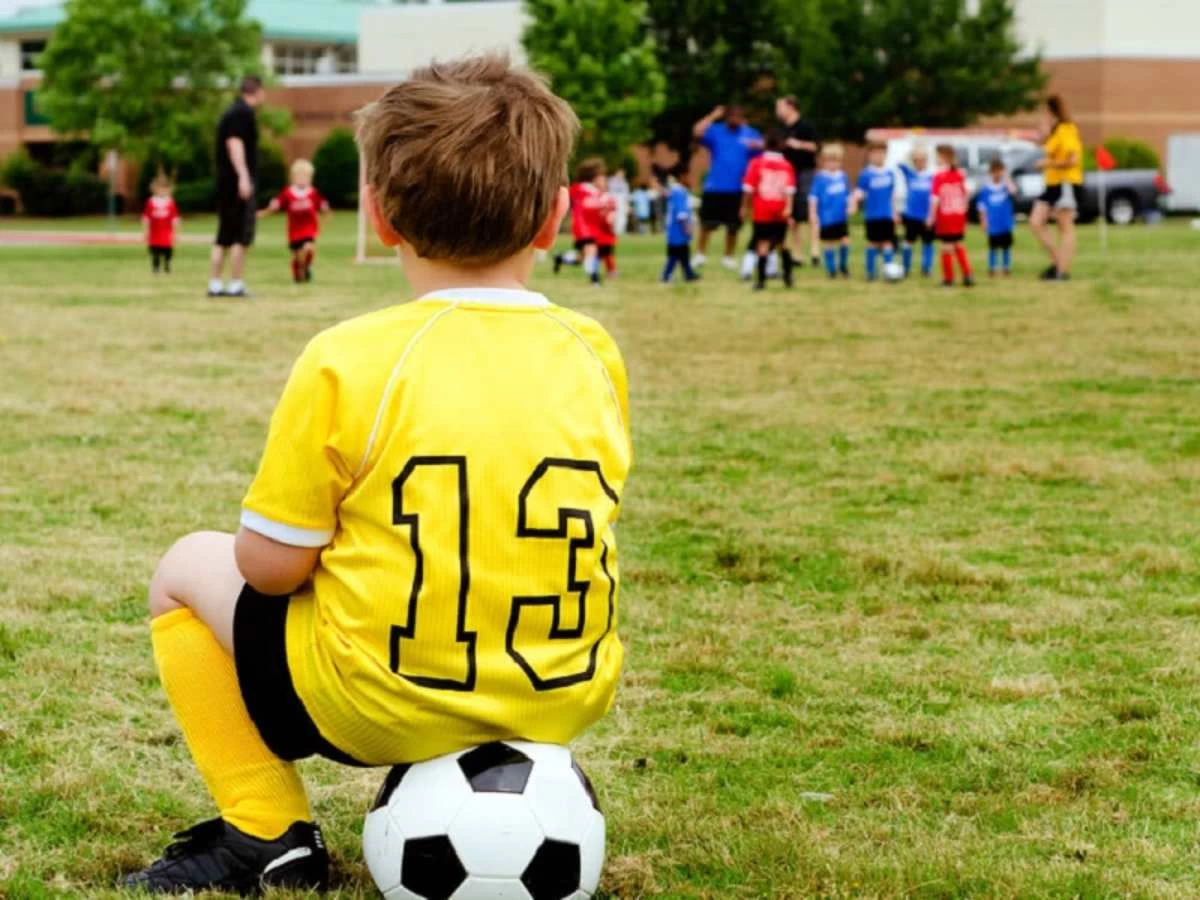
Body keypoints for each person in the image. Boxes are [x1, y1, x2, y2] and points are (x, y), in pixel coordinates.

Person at [120, 54, 632, 894]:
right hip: (561, 694)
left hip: (377, 702)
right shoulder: (594, 352)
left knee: (184, 567)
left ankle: (263, 829)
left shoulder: (349, 358)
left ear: (383, 218)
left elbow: (269, 568)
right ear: (555, 219)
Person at [209, 75, 265, 299]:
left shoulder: (230, 112)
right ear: (257, 91)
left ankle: (215, 284)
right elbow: (235, 144)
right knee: (240, 236)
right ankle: (235, 283)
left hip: (225, 183)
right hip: (236, 184)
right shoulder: (243, 113)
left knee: (223, 235)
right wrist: (243, 176)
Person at [692, 104, 763, 269]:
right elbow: (696, 131)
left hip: (738, 188)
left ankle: (728, 257)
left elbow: (764, 151)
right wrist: (712, 115)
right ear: (726, 117)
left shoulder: (750, 134)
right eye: (731, 116)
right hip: (715, 186)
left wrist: (758, 146)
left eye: (738, 117)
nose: (734, 120)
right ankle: (700, 254)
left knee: (733, 226)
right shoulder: (716, 131)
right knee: (707, 224)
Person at [1030, 94, 1083, 281]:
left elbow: (1073, 160)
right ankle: (1057, 262)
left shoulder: (1066, 129)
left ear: (1051, 111)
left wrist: (1047, 163)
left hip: (1066, 183)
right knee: (1036, 222)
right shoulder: (1055, 132)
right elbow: (1048, 146)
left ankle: (1061, 271)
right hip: (1052, 184)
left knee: (1065, 226)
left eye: (1044, 112)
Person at [258, 160, 331, 284]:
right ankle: (298, 272)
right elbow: (276, 205)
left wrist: (325, 211)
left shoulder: (312, 193)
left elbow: (323, 206)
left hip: (309, 229)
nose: (302, 179)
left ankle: (306, 266)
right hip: (294, 231)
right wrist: (262, 213)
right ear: (293, 177)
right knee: (297, 256)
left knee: (309, 248)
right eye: (299, 176)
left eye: (305, 176)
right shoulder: (288, 193)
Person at [742, 130, 796, 290]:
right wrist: (789, 208)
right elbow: (790, 190)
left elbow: (748, 189)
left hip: (762, 210)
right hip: (780, 210)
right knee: (782, 243)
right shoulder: (787, 165)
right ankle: (788, 274)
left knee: (762, 244)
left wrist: (744, 207)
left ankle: (761, 281)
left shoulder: (756, 163)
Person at [776, 95, 819, 267]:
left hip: (805, 173)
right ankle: (797, 254)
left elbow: (816, 146)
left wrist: (798, 144)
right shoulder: (781, 129)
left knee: (810, 212)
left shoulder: (805, 126)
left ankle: (815, 251)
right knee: (792, 216)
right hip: (788, 174)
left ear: (791, 107)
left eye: (780, 107)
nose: (777, 111)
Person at [928, 143, 974, 288]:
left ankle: (949, 279)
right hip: (958, 215)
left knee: (946, 247)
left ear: (943, 157)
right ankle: (967, 275)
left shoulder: (939, 176)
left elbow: (935, 199)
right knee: (958, 244)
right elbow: (966, 194)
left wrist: (931, 216)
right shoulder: (959, 174)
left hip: (946, 216)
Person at [553, 157, 605, 284]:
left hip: (593, 228)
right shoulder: (579, 188)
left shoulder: (596, 192)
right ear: (592, 176)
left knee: (582, 257)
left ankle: (561, 258)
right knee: (591, 250)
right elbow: (563, 195)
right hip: (583, 227)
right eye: (600, 176)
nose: (603, 179)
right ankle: (594, 279)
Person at [854, 140, 898, 280]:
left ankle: (888, 271)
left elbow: (892, 195)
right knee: (872, 243)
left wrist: (894, 212)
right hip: (872, 215)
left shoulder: (889, 173)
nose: (879, 156)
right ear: (870, 155)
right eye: (875, 153)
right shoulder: (866, 174)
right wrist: (853, 202)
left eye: (882, 153)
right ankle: (870, 272)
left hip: (886, 214)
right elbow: (859, 192)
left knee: (887, 242)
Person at [808, 143, 853, 279]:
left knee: (845, 241)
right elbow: (813, 198)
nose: (833, 164)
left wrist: (851, 205)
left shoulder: (843, 177)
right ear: (824, 161)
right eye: (830, 160)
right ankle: (831, 269)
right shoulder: (820, 178)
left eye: (836, 161)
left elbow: (848, 195)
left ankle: (843, 266)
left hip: (841, 217)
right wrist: (812, 213)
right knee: (829, 243)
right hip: (826, 217)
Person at [899, 145, 935, 277]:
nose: (920, 162)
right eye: (917, 160)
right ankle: (905, 267)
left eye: (922, 160)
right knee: (908, 241)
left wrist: (931, 215)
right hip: (911, 215)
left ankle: (927, 268)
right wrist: (912, 153)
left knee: (927, 242)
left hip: (926, 216)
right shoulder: (910, 173)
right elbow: (900, 163)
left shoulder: (931, 176)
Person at [978, 159, 1017, 276]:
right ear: (990, 172)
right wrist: (983, 221)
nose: (997, 174)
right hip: (993, 223)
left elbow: (1014, 191)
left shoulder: (1005, 187)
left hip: (1005, 223)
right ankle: (992, 267)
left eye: (999, 171)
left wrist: (1006, 177)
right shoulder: (986, 189)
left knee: (1006, 246)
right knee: (993, 247)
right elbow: (982, 207)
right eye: (994, 171)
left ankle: (1006, 267)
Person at [662, 169, 700, 283]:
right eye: (688, 176)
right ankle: (666, 275)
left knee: (684, 252)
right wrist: (686, 226)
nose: (690, 179)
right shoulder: (679, 192)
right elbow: (680, 212)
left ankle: (688, 273)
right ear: (682, 177)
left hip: (676, 229)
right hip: (677, 229)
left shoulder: (676, 191)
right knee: (675, 253)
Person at [143, 175, 180, 275]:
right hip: (155, 233)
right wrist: (145, 232)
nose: (162, 190)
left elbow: (175, 220)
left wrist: (175, 234)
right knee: (155, 251)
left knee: (167, 250)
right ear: (154, 189)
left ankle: (167, 264)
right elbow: (146, 219)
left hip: (166, 233)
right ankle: (156, 267)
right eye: (159, 188)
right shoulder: (151, 202)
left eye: (164, 188)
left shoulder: (170, 202)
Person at [607, 167, 630, 235]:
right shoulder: (611, 181)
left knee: (622, 216)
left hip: (622, 201)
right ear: (617, 173)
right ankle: (612, 230)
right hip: (613, 200)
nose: (622, 175)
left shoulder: (624, 183)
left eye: (623, 174)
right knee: (613, 216)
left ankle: (620, 230)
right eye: (620, 173)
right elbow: (608, 191)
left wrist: (627, 205)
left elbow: (626, 195)